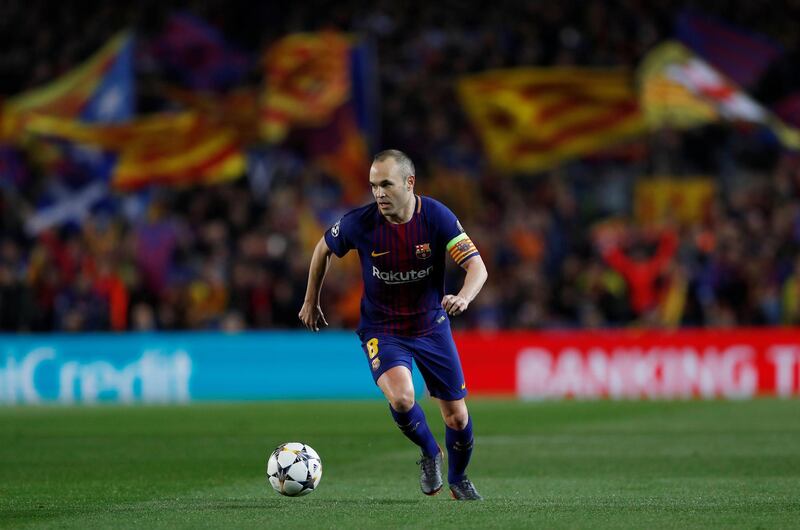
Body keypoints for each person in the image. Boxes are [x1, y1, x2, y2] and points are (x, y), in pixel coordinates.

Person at [298, 149, 488, 500]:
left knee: (457, 418)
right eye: (373, 186)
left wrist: (463, 296)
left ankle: (458, 479)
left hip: (431, 326)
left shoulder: (437, 217)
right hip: (382, 329)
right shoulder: (360, 223)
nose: (379, 194)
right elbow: (322, 249)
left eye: (386, 184)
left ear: (409, 182)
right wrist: (311, 299)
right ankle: (430, 453)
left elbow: (477, 267)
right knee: (402, 398)